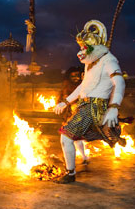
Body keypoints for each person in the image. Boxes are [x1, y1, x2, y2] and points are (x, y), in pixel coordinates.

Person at [54, 20, 126, 183]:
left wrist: (114, 107)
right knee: (74, 137)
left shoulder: (109, 60)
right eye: (80, 48)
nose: (81, 52)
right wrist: (66, 102)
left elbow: (120, 82)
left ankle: (70, 174)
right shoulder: (90, 63)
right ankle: (107, 137)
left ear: (93, 46)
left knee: (66, 137)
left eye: (84, 47)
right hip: (83, 106)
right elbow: (83, 86)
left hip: (95, 107)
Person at [59, 66, 89, 165]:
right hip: (68, 114)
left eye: (77, 75)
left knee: (76, 138)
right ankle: (70, 159)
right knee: (68, 137)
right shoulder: (66, 85)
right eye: (73, 76)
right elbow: (61, 97)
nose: (75, 77)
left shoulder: (84, 85)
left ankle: (83, 157)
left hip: (79, 114)